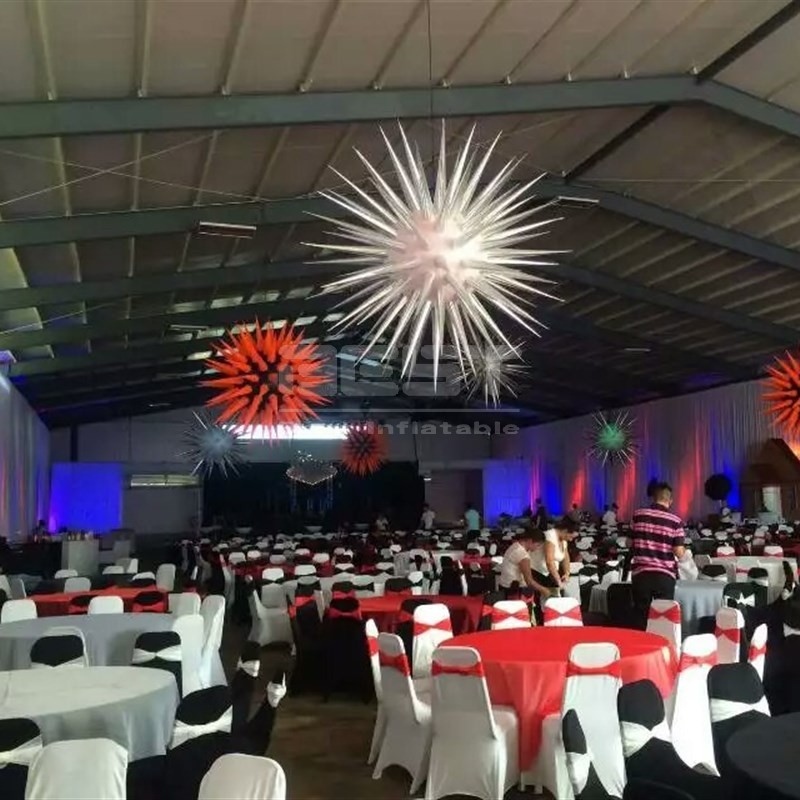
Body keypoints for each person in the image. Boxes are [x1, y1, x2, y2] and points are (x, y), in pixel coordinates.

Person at [630, 481, 686, 628]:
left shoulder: (638, 515)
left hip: (641, 574)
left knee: (641, 618)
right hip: (664, 576)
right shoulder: (675, 521)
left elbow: (629, 542)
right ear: (670, 500)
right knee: (663, 620)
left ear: (653, 498)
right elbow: (679, 552)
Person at [498, 529, 553, 598]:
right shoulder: (522, 555)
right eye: (538, 545)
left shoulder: (515, 545)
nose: (537, 548)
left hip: (504, 586)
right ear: (530, 541)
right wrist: (545, 590)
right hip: (513, 590)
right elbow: (529, 581)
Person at [532, 517, 578, 591]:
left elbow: (566, 557)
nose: (571, 540)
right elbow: (549, 561)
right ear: (565, 531)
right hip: (538, 573)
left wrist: (567, 573)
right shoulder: (550, 535)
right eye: (571, 537)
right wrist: (558, 581)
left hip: (550, 573)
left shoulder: (563, 540)